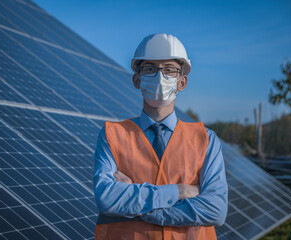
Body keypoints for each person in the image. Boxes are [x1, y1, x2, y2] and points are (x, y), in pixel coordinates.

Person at [93, 33, 228, 239]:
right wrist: (179, 192)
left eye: (169, 70)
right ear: (137, 80)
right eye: (149, 69)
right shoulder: (112, 135)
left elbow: (216, 209)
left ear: (182, 82)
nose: (159, 77)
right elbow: (107, 199)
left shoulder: (206, 140)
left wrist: (141, 207)